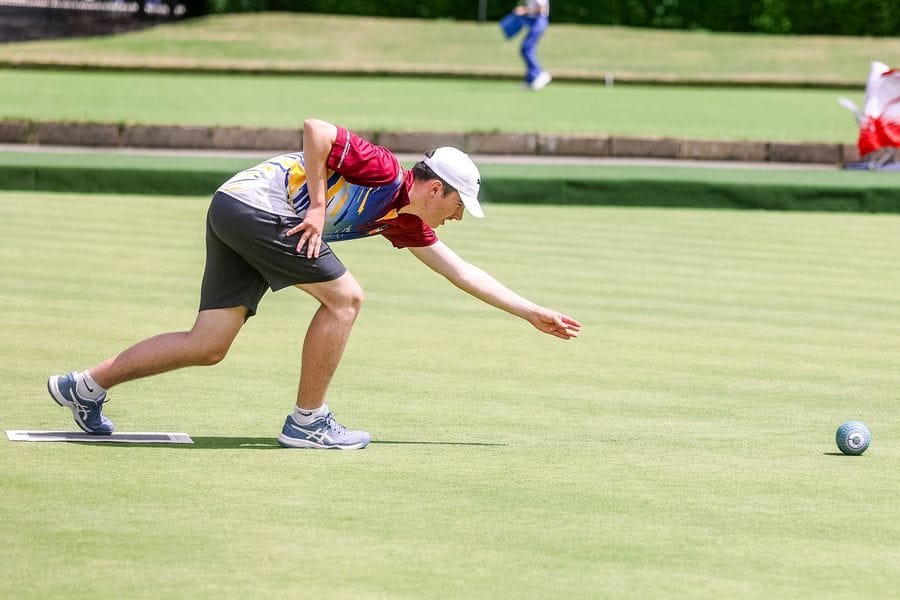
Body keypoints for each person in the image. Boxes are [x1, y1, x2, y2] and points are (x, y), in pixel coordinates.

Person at [47, 119, 581, 450]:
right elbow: (317, 130)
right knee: (345, 298)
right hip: (258, 206)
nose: (459, 217)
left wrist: (531, 311)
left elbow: (461, 271)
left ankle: (85, 386)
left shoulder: (403, 220)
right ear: (437, 188)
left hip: (235, 208)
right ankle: (307, 422)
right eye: (459, 206)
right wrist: (322, 207)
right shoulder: (386, 172)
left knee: (208, 345)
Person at [515, 0, 551, 90]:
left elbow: (542, 8)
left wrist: (525, 10)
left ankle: (539, 74)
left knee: (527, 49)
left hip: (539, 20)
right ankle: (531, 79)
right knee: (525, 49)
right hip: (533, 20)